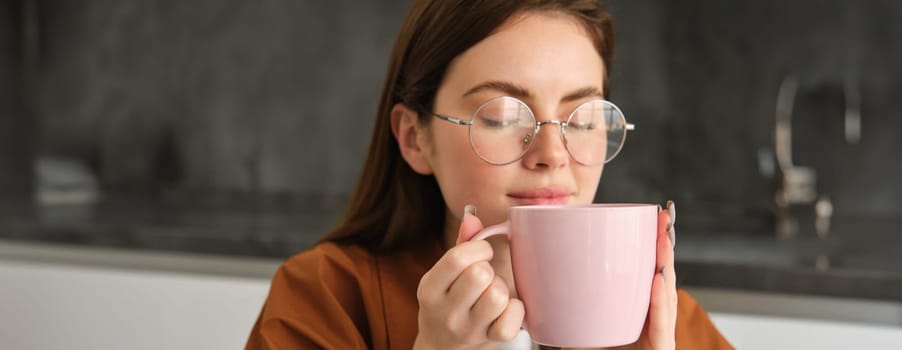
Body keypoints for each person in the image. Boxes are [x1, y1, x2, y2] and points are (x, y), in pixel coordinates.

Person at [247, 0, 733, 349]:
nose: (552, 153)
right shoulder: (325, 299)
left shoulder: (664, 321)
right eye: (502, 116)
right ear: (415, 139)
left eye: (582, 118)